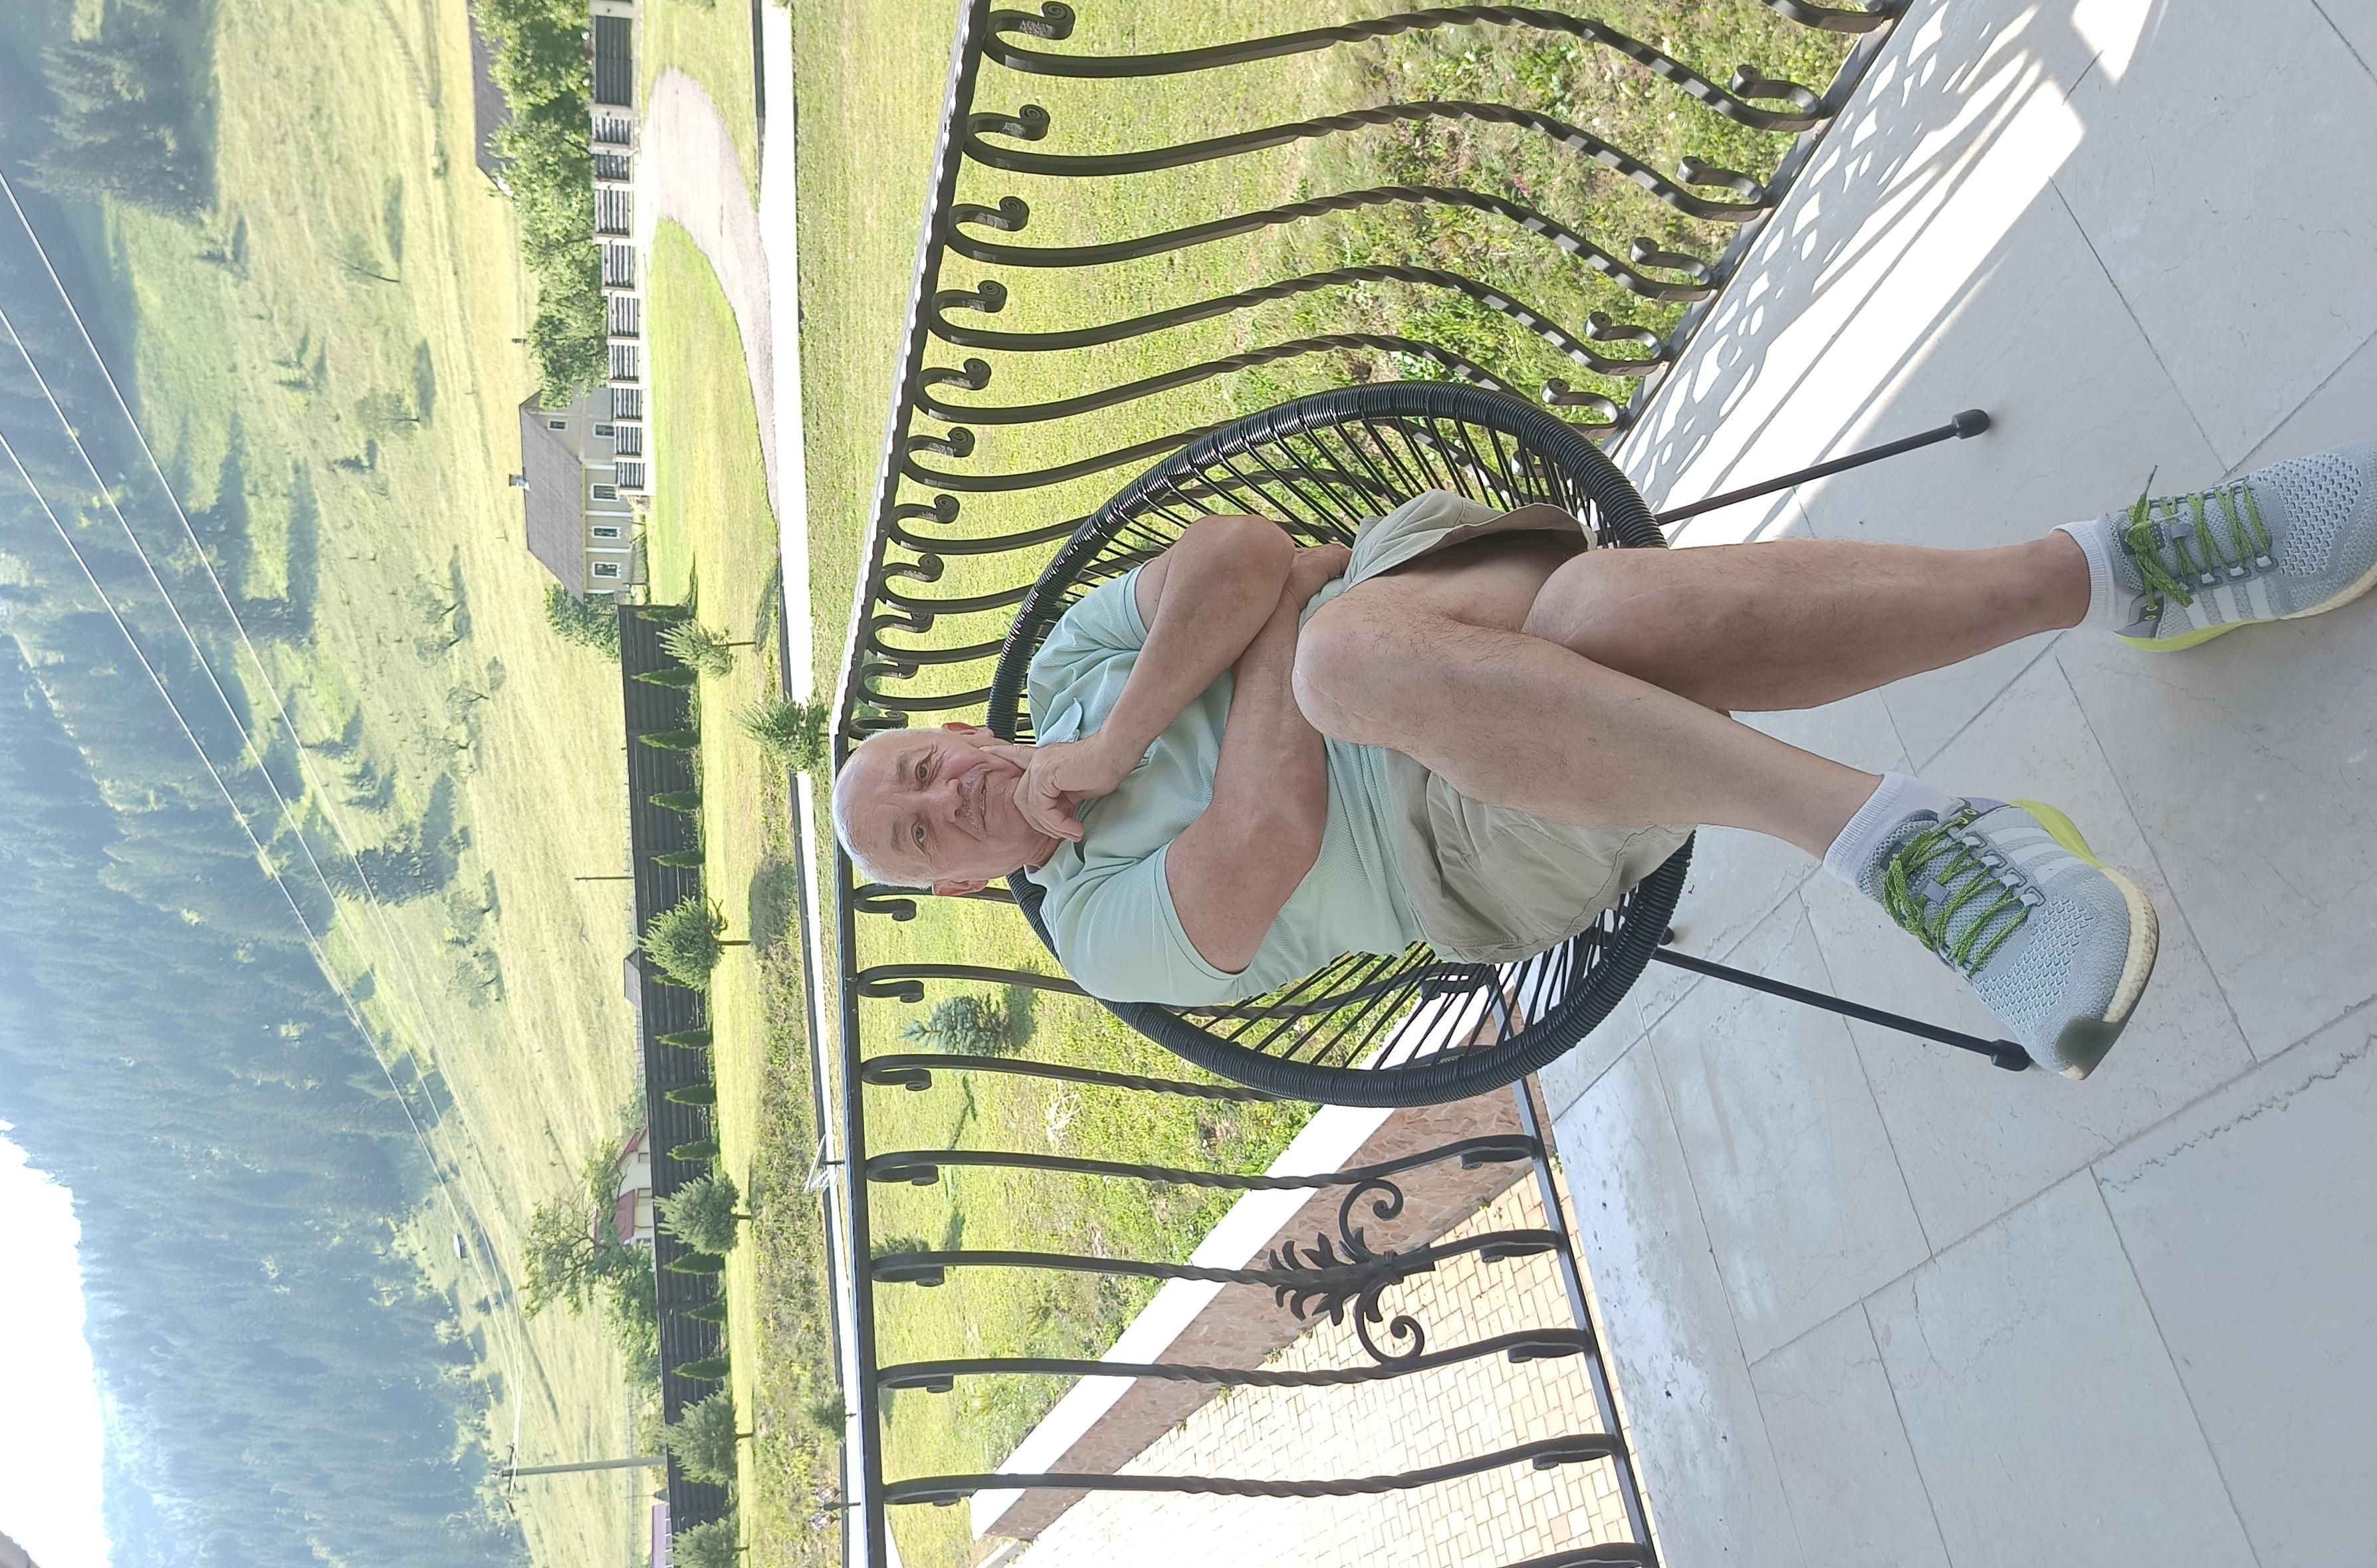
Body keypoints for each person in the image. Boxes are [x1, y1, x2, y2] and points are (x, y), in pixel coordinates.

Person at [830, 439, 2377, 1079]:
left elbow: (1237, 546)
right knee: (1572, 622)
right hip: (1469, 848)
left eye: (914, 771)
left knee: (1357, 656)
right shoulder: (1098, 939)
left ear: (950, 734)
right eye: (918, 837)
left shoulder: (1074, 674)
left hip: (1425, 607)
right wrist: (1277, 613)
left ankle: (1887, 841)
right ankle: (2119, 568)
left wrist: (1119, 736)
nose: (940, 801)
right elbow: (1270, 836)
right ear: (960, 887)